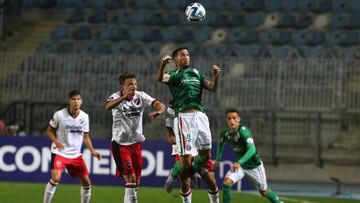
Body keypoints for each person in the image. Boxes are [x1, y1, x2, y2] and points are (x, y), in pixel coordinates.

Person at [157, 47, 221, 202]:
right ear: (176, 59)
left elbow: (212, 88)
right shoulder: (174, 75)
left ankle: (192, 171)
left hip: (200, 116)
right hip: (184, 118)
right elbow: (160, 78)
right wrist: (163, 65)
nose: (185, 57)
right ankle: (174, 173)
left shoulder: (196, 73)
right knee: (185, 162)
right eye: (182, 55)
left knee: (207, 155)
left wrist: (216, 77)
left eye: (187, 54)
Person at [105, 72, 165, 203]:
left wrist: (159, 111)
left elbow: (159, 104)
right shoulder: (115, 97)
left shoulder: (141, 96)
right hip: (120, 145)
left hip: (136, 144)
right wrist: (123, 97)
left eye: (135, 83)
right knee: (131, 179)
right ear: (122, 87)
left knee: (136, 182)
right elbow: (108, 106)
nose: (134, 86)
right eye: (130, 84)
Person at [43, 90, 102, 203]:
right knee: (56, 178)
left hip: (75, 155)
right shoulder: (59, 115)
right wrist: (56, 142)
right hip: (60, 152)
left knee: (87, 183)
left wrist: (93, 151)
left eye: (78, 99)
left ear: (81, 102)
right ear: (69, 101)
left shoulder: (84, 117)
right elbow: (49, 131)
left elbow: (85, 137)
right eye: (73, 99)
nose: (76, 102)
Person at [214, 109, 283, 203]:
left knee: (264, 192)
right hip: (241, 166)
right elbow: (221, 143)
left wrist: (239, 162)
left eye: (234, 118)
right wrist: (218, 159)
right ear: (226, 120)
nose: (231, 121)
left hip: (254, 166)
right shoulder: (225, 133)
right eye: (229, 118)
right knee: (226, 184)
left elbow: (252, 149)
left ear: (239, 119)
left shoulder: (243, 132)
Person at [165, 104, 219, 203]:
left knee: (211, 180)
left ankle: (190, 170)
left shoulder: (195, 103)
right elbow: (168, 129)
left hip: (197, 146)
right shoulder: (172, 108)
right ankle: (176, 173)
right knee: (185, 182)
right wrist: (173, 139)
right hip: (182, 144)